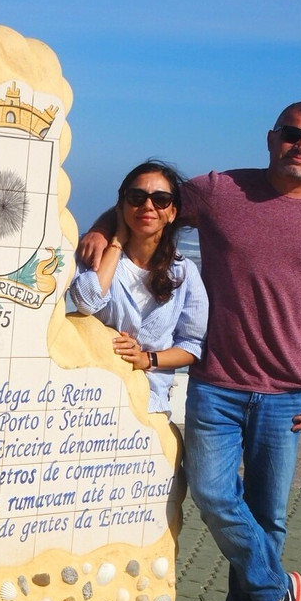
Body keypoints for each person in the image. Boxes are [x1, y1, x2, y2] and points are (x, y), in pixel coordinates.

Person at [78, 101, 301, 601]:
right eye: (291, 134)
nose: (300, 146)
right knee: (211, 494)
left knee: (267, 514)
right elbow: (149, 201)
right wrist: (100, 228)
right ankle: (281, 592)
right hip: (216, 385)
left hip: (286, 394)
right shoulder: (223, 190)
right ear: (272, 137)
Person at [68, 160, 208, 416]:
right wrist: (117, 241)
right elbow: (86, 302)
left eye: (160, 199)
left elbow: (191, 345)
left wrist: (147, 359)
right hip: (88, 397)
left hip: (150, 403)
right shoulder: (95, 255)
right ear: (121, 206)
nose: (147, 206)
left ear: (173, 212)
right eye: (137, 197)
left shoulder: (184, 272)